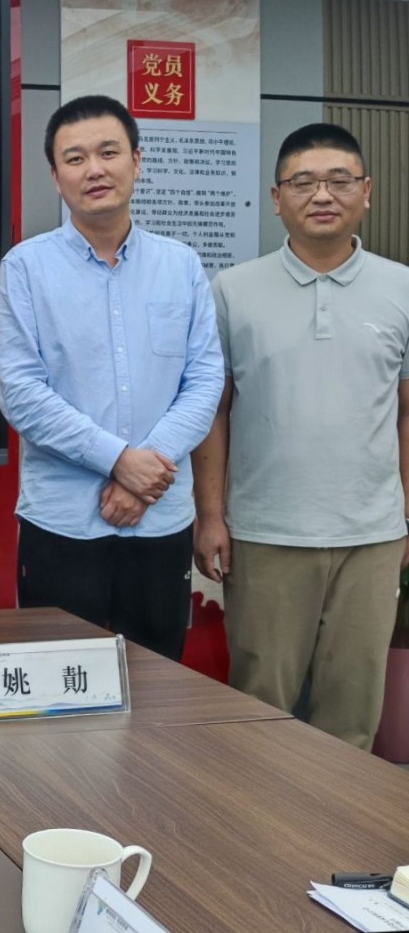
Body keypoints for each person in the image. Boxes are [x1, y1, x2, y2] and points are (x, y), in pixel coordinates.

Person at [192, 123, 409, 748]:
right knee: (259, 709)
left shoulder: (401, 287)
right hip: (265, 534)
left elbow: (407, 412)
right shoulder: (232, 290)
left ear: (367, 192)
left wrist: (404, 515)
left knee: (353, 711)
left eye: (339, 180)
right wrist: (211, 516)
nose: (322, 195)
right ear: (276, 197)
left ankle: (340, 819)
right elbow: (214, 412)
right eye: (303, 182)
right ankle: (256, 816)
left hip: (371, 538)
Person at [0, 95, 222, 660]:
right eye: (75, 158)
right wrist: (118, 460)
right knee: (58, 682)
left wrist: (144, 474)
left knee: (159, 679)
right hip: (63, 522)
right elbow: (21, 393)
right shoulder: (25, 267)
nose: (94, 169)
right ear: (56, 177)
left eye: (108, 152)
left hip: (161, 520)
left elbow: (204, 381)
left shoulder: (181, 265)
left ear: (137, 162)